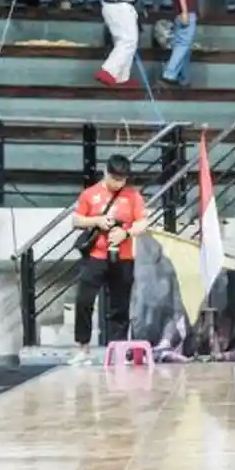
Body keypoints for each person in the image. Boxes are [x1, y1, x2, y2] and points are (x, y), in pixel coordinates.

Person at [70, 155, 149, 365]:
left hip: (122, 257)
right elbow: (76, 219)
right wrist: (97, 220)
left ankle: (118, 349)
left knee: (120, 305)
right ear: (106, 173)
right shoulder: (90, 194)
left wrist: (126, 234)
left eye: (122, 179)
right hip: (96, 256)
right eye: (114, 178)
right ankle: (82, 347)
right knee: (84, 300)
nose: (118, 183)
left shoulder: (132, 196)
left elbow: (143, 223)